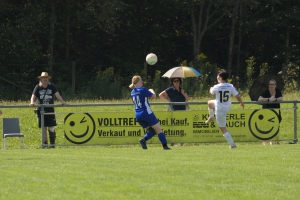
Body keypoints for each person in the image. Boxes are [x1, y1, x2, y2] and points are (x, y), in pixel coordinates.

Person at [205, 69, 244, 149]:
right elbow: (237, 96)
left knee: (222, 128)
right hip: (226, 106)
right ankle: (212, 116)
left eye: (217, 76)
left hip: (220, 109)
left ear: (219, 77)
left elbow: (211, 91)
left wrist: (211, 88)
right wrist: (241, 103)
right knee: (210, 103)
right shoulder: (230, 86)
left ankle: (232, 145)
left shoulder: (217, 87)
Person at [129, 75, 171, 150]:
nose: (142, 82)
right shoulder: (142, 89)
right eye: (141, 80)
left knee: (152, 130)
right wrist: (151, 90)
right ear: (138, 81)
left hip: (138, 115)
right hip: (146, 112)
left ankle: (143, 140)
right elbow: (154, 96)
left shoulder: (132, 92)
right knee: (159, 129)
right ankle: (165, 146)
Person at [29, 72, 67, 148]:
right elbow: (33, 95)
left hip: (50, 110)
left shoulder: (51, 86)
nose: (45, 79)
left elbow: (57, 94)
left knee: (51, 128)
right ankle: (45, 144)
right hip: (41, 110)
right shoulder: (38, 87)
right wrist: (32, 102)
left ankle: (52, 145)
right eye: (43, 78)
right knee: (43, 128)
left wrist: (62, 101)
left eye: (46, 78)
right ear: (41, 79)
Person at [159, 77, 189, 146]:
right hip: (174, 109)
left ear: (180, 81)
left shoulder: (182, 89)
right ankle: (173, 142)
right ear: (172, 82)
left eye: (178, 81)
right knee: (174, 126)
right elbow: (161, 95)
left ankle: (182, 143)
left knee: (182, 126)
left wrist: (183, 93)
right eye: (174, 81)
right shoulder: (170, 89)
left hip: (182, 109)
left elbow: (187, 99)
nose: (176, 82)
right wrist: (169, 101)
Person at [258, 79, 283, 145]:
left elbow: (281, 98)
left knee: (275, 126)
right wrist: (268, 99)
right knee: (265, 127)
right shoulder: (265, 92)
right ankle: (265, 142)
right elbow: (259, 99)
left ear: (275, 85)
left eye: (273, 84)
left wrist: (275, 99)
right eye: (270, 84)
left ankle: (272, 142)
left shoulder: (278, 91)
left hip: (276, 111)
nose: (271, 86)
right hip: (266, 112)